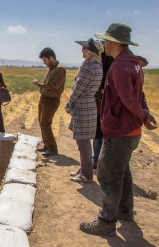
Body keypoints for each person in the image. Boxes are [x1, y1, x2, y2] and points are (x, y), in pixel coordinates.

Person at [80, 23, 157, 236]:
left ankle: (106, 221)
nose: (103, 43)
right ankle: (125, 210)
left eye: (105, 40)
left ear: (114, 42)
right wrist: (146, 114)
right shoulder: (133, 64)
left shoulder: (120, 66)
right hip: (130, 130)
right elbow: (139, 95)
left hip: (120, 129)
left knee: (107, 173)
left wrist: (143, 115)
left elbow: (129, 98)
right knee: (122, 171)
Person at [65, 38, 103, 183]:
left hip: (83, 106)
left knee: (83, 142)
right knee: (83, 141)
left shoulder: (89, 67)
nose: (82, 50)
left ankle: (86, 174)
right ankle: (84, 169)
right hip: (89, 105)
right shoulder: (97, 65)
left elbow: (78, 88)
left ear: (90, 51)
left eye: (84, 48)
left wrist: (69, 104)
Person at [32, 47, 66, 157]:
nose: (44, 62)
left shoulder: (60, 69)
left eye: (45, 60)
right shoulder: (52, 68)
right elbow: (48, 83)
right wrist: (41, 84)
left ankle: (52, 148)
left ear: (51, 58)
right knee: (42, 123)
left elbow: (54, 85)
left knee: (45, 124)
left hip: (51, 100)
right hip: (44, 98)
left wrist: (39, 84)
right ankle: (47, 145)